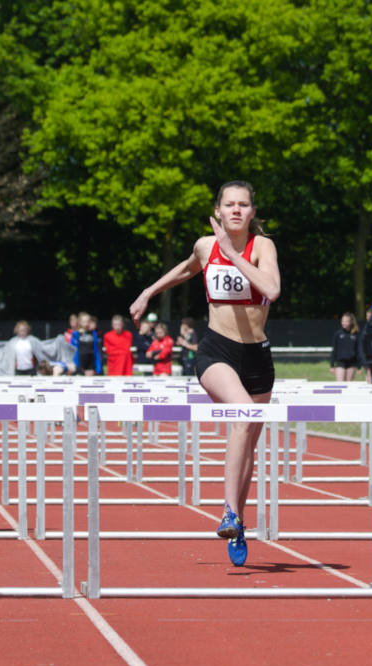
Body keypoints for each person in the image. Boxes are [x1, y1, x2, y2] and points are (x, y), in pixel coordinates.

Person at [130, 180, 280, 566]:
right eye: (228, 204)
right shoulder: (205, 244)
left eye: (243, 205)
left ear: (252, 213)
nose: (235, 210)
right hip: (217, 351)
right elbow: (187, 268)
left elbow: (272, 289)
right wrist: (149, 291)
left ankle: (238, 520)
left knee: (248, 446)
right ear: (218, 211)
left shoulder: (262, 247)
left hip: (258, 357)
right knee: (242, 418)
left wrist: (233, 254)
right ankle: (228, 511)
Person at [329, 312, 360, 381]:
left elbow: (358, 351)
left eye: (346, 321)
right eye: (342, 321)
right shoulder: (338, 334)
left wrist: (359, 366)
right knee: (340, 384)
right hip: (340, 362)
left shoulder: (355, 335)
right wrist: (332, 365)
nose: (343, 323)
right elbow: (334, 350)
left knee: (349, 385)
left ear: (350, 322)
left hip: (351, 363)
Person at [71, 311, 102, 375]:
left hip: (91, 361)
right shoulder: (76, 334)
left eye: (87, 322)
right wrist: (74, 363)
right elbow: (72, 350)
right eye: (84, 322)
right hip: (80, 361)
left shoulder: (94, 333)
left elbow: (96, 350)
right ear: (80, 322)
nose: (86, 324)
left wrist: (98, 366)